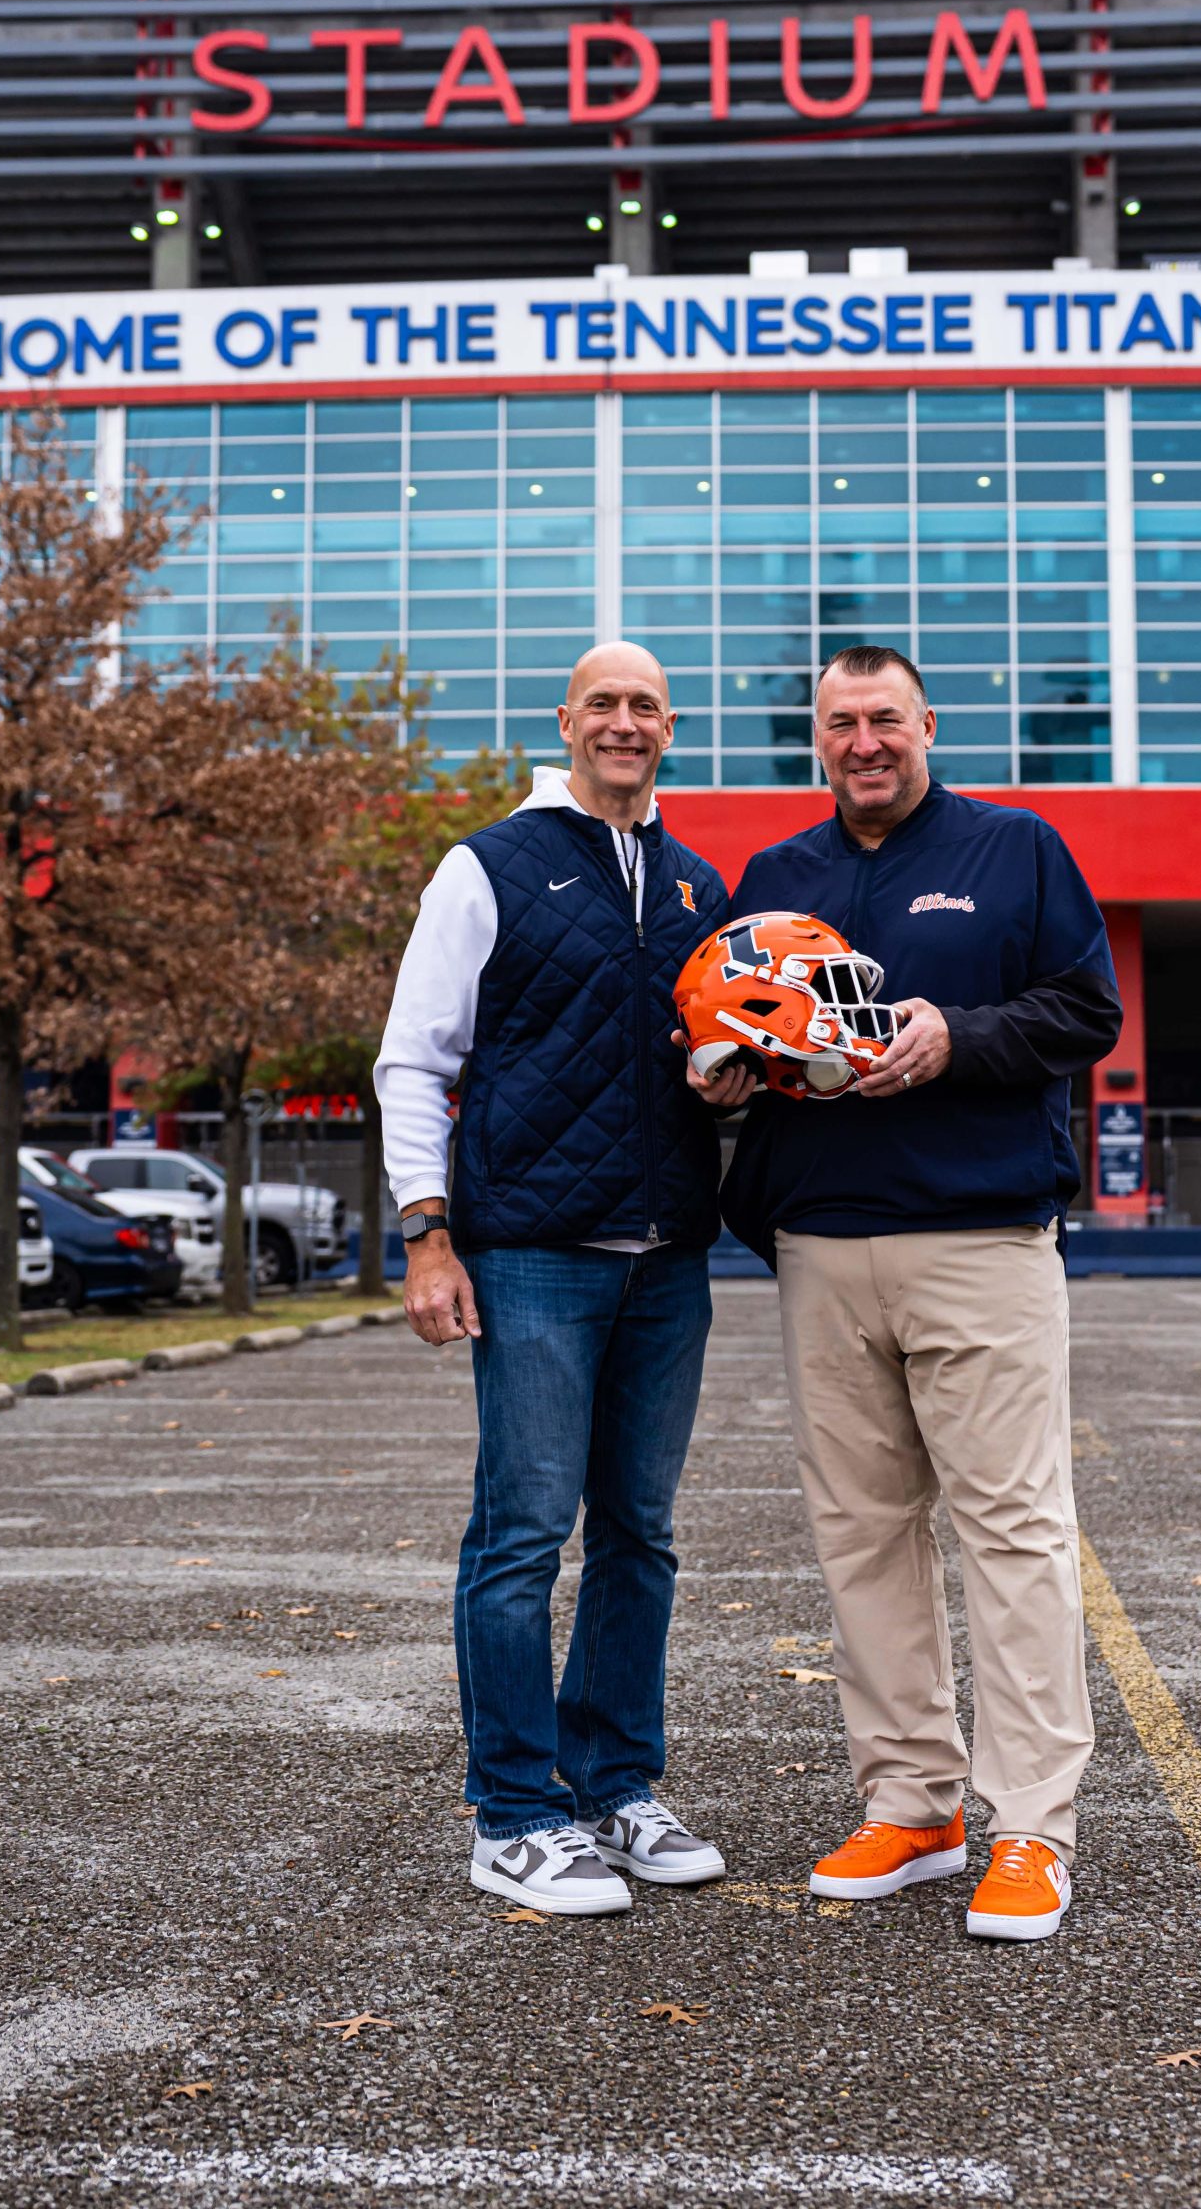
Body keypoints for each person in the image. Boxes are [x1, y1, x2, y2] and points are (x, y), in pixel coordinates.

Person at [710, 643, 1122, 1944]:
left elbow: (1081, 1013)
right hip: (822, 1247)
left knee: (1009, 1536)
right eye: (839, 723)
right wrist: (723, 1075)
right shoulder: (777, 880)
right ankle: (912, 1802)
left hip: (978, 1241)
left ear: (924, 724)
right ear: (815, 738)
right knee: (861, 1537)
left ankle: (1030, 1828)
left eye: (883, 718)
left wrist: (957, 1036)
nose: (863, 742)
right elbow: (758, 1029)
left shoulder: (1016, 852)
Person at [375, 642, 748, 1917]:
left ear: (671, 725)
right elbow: (412, 1061)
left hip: (669, 1264)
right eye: (605, 703)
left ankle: (617, 1786)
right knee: (523, 1534)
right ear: (567, 721)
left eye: (647, 704)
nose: (626, 723)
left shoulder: (701, 884)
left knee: (640, 1536)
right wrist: (427, 1231)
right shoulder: (488, 866)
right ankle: (515, 1814)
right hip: (531, 1256)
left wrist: (731, 1085)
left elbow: (710, 1062)